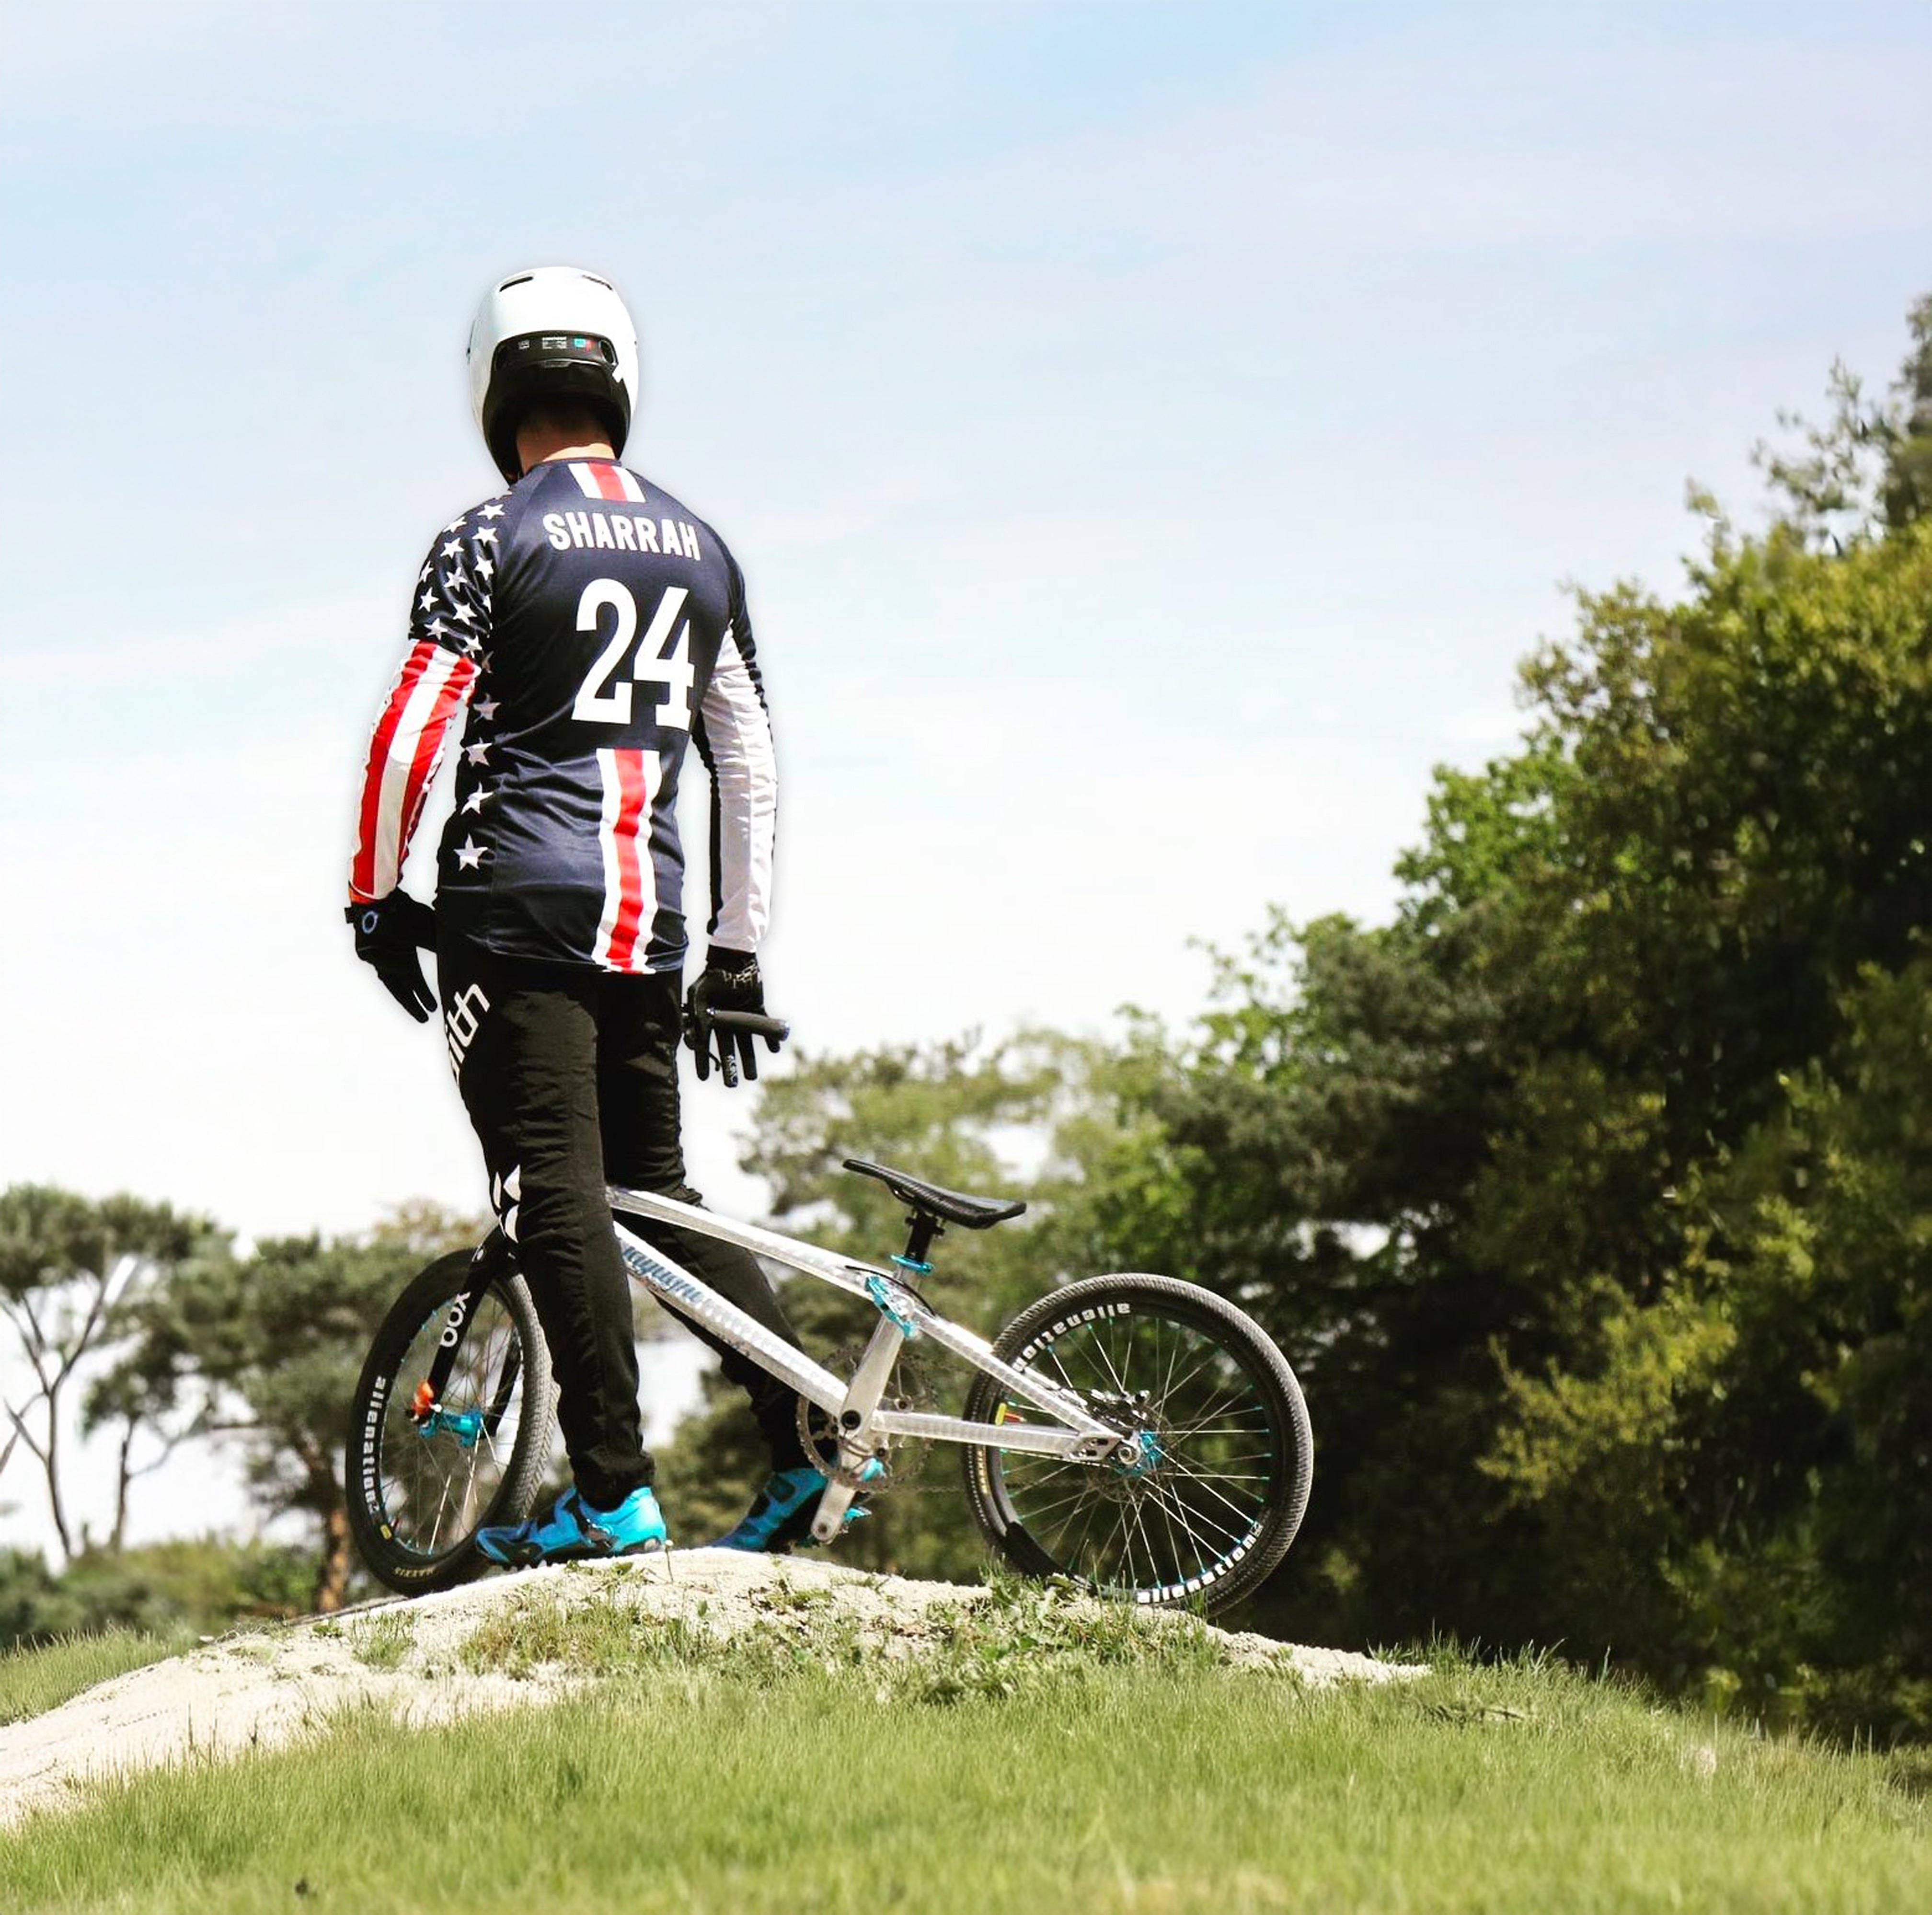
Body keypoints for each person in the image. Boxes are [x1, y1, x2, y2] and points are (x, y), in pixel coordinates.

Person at [345, 265, 842, 1564]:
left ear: (495, 387)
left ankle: (612, 1494)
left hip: (513, 911)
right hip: (652, 922)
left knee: (550, 1184)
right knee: (658, 1193)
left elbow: (412, 734)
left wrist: (376, 893)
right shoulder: (704, 550)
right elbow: (750, 754)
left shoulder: (486, 537)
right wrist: (737, 949)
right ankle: (800, 1455)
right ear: (617, 382)